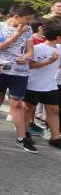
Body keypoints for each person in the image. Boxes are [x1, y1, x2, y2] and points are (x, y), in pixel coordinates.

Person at [0, 4, 38, 151]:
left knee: (16, 103)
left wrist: (25, 57)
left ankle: (21, 137)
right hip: (0, 68)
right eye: (26, 19)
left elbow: (30, 52)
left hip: (20, 71)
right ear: (16, 17)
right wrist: (17, 34)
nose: (28, 23)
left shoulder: (28, 29)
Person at [23, 18, 61, 149]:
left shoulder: (60, 48)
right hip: (33, 84)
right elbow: (30, 65)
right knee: (29, 109)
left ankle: (55, 137)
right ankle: (24, 133)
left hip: (50, 84)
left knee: (54, 109)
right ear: (58, 36)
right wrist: (48, 62)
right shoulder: (38, 49)